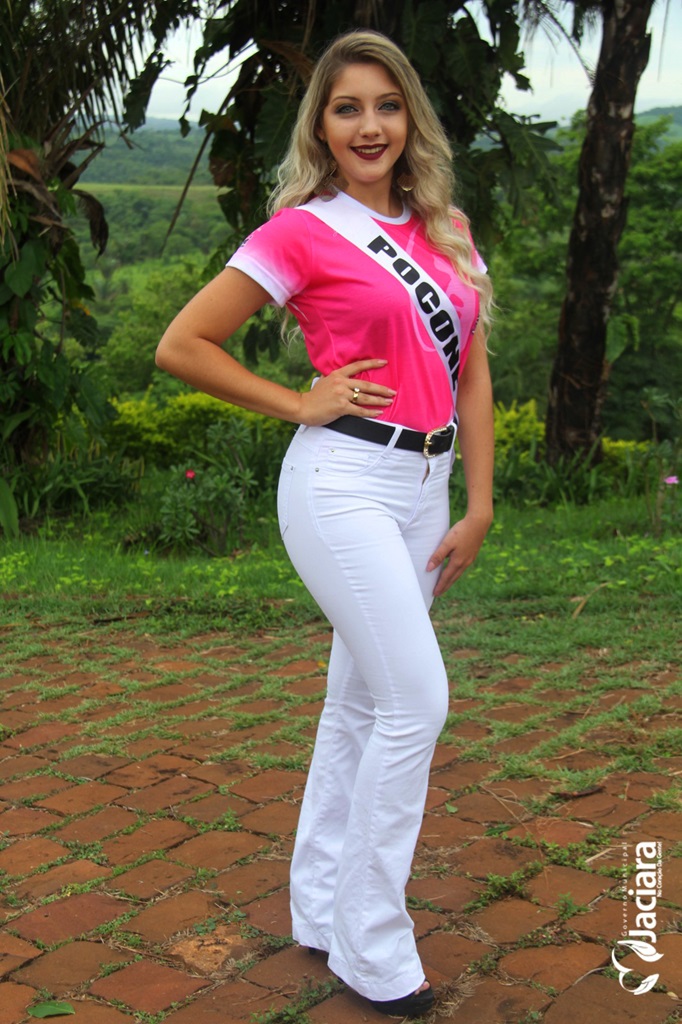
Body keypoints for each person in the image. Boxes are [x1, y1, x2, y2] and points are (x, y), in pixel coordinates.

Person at [156, 29, 494, 1019]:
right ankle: (372, 947)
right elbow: (183, 344)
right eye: (348, 108)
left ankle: (319, 904)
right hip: (341, 482)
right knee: (415, 703)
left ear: (410, 120)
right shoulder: (301, 232)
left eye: (387, 106)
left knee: (360, 702)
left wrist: (478, 502)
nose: (369, 126)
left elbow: (472, 369)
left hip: (427, 485)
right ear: (323, 127)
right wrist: (298, 401)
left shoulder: (448, 228)